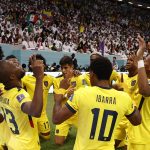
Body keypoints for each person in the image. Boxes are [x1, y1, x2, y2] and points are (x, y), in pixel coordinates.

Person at [52, 57, 141, 150]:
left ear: (92, 74)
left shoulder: (81, 93)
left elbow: (56, 119)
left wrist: (60, 94)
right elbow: (137, 121)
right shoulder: (124, 98)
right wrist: (131, 100)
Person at [0, 55, 44, 150]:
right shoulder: (18, 95)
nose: (18, 65)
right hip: (27, 145)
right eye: (14, 66)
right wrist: (39, 77)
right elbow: (36, 111)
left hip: (14, 143)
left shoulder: (3, 95)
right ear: (12, 76)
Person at [53, 55, 87, 145]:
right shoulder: (57, 80)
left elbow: (84, 96)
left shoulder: (79, 77)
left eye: (66, 68)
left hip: (77, 114)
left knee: (87, 139)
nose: (63, 70)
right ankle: (66, 130)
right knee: (58, 142)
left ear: (72, 67)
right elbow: (55, 99)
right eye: (62, 68)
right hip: (63, 113)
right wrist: (66, 95)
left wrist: (74, 95)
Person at [22, 54, 54, 140]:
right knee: (31, 137)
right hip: (31, 113)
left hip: (43, 114)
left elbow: (63, 79)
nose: (40, 65)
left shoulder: (50, 78)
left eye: (41, 63)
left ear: (44, 65)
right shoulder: (25, 79)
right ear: (32, 66)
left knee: (46, 137)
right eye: (37, 63)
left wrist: (75, 73)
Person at [127, 35, 150, 150]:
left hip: (145, 137)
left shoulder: (144, 84)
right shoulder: (141, 80)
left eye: (146, 63)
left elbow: (145, 90)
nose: (144, 64)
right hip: (134, 133)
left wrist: (140, 58)